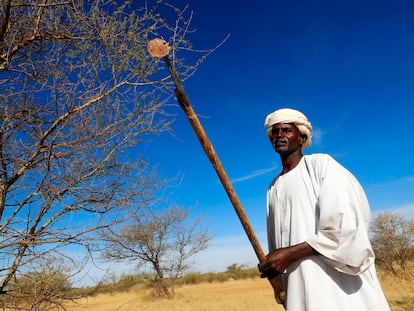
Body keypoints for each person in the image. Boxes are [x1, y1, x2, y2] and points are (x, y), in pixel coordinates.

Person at [257, 108, 390, 310]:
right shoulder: (273, 187)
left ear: (301, 138)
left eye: (286, 130)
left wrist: (291, 253)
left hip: (336, 282)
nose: (279, 135)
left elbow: (346, 227)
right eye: (274, 132)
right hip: (297, 283)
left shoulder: (321, 165)